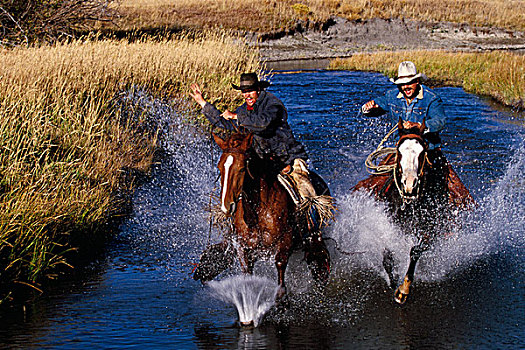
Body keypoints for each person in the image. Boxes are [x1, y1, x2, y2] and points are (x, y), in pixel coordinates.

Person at [189, 72, 324, 228]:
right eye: (244, 91)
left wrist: (236, 117)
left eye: (250, 90)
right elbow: (225, 123)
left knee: (306, 192)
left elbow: (263, 123)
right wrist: (203, 103)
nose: (247, 95)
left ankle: (314, 234)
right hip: (264, 161)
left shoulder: (273, 105)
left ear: (259, 89)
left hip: (288, 159)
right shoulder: (243, 110)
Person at [361, 61, 474, 208]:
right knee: (371, 185)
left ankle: (460, 219)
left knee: (459, 193)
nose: (406, 87)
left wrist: (421, 126)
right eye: (402, 84)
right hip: (401, 150)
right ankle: (362, 208)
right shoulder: (391, 96)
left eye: (410, 83)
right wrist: (369, 107)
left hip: (429, 151)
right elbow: (378, 105)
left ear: (417, 81)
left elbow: (440, 121)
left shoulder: (431, 98)